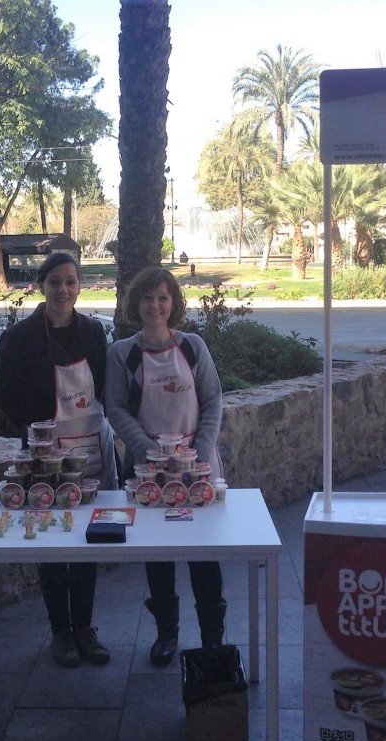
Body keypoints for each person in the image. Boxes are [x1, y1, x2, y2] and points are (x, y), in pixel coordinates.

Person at [0, 253, 117, 667]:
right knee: (51, 538)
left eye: (70, 282)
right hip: (44, 458)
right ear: (40, 286)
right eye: (55, 283)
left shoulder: (93, 333)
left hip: (87, 455)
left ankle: (85, 628)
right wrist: (40, 439)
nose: (63, 290)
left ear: (80, 286)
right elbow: (6, 397)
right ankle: (60, 632)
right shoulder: (17, 338)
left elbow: (102, 387)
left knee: (85, 539)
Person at [105, 266, 227, 667]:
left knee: (205, 554)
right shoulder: (123, 353)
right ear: (134, 304)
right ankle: (166, 635)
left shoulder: (193, 347)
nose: (155, 305)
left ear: (173, 303)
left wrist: (202, 450)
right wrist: (145, 450)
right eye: (146, 298)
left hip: (197, 469)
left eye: (162, 297)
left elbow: (212, 401)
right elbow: (116, 408)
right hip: (146, 472)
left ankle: (212, 638)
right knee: (156, 553)